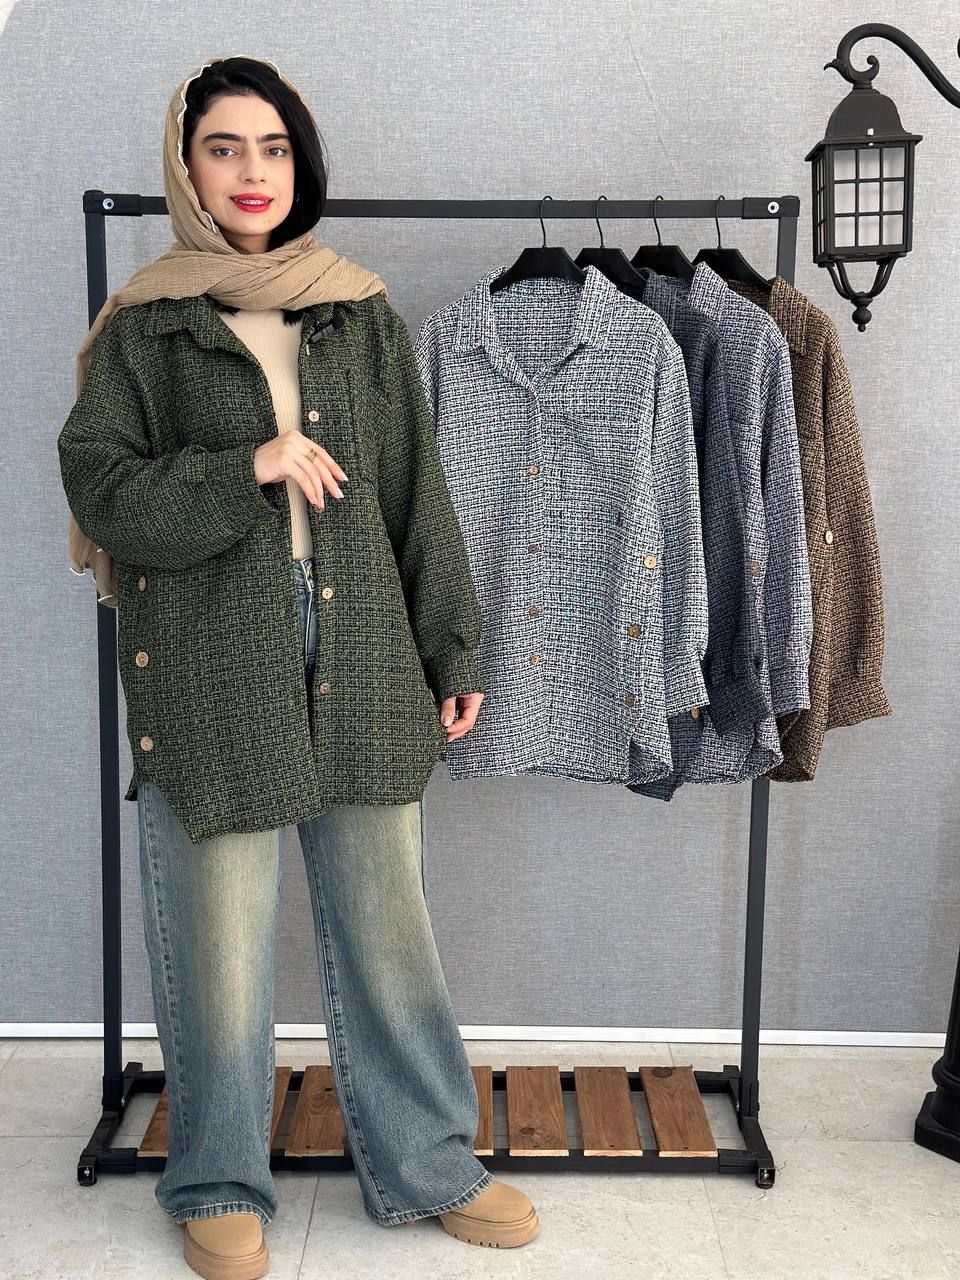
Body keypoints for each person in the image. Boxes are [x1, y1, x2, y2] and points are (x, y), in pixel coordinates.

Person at [57, 54, 539, 1280]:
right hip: (211, 655)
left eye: (272, 147)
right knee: (218, 940)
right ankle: (217, 1177)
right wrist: (250, 467)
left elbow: (413, 491)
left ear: (300, 162)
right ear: (185, 167)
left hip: (364, 640)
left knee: (389, 929)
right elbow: (104, 492)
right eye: (223, 146)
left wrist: (451, 642)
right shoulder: (146, 326)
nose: (251, 172)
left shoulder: (356, 311)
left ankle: (429, 1160)